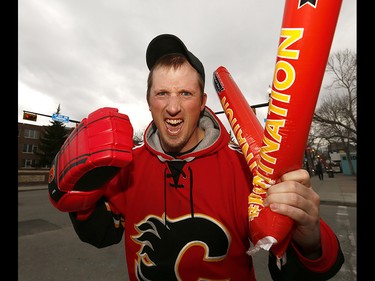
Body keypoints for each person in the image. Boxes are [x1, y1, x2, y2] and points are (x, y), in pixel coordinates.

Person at [48, 34, 344, 280]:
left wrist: (309, 237)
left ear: (203, 103)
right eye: (162, 93)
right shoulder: (128, 166)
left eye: (185, 94)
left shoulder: (245, 168)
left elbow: (289, 270)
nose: (172, 107)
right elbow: (102, 235)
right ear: (149, 102)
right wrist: (83, 198)